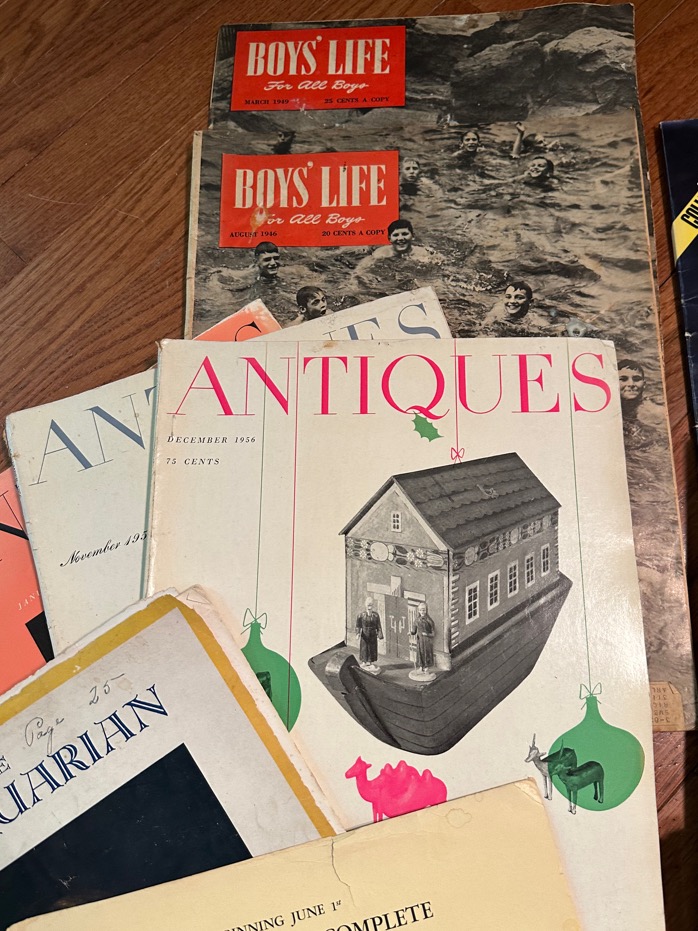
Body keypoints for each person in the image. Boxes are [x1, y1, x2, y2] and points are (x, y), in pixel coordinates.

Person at [356, 597, 383, 669]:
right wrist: (358, 633)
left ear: (373, 605)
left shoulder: (376, 616)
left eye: (371, 605)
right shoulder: (361, 615)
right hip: (364, 635)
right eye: (368, 605)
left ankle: (370, 662)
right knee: (364, 648)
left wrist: (380, 635)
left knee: (372, 648)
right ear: (365, 605)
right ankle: (364, 662)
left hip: (373, 635)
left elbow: (378, 626)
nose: (369, 607)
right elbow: (358, 626)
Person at [410, 602, 435, 673]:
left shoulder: (429, 621)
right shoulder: (416, 620)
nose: (422, 612)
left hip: (427, 641)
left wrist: (426, 634)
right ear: (418, 611)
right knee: (420, 653)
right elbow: (414, 631)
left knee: (426, 653)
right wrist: (411, 633)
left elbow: (433, 634)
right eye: (420, 610)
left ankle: (426, 668)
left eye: (424, 610)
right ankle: (421, 667)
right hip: (420, 640)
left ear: (426, 610)